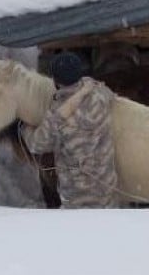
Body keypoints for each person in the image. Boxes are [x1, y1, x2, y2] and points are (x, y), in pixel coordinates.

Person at [21, 52, 121, 209]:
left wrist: (26, 128)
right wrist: (86, 87)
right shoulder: (99, 95)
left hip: (77, 200)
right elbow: (110, 95)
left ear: (55, 80)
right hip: (106, 194)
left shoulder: (57, 116)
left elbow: (36, 145)